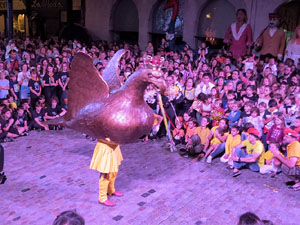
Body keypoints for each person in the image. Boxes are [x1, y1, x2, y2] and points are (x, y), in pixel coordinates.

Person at [90, 139, 124, 207]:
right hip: (105, 146)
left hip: (114, 145)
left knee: (114, 170)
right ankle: (102, 198)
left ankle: (110, 190)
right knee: (105, 173)